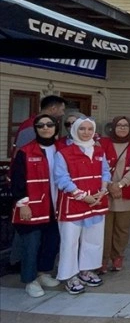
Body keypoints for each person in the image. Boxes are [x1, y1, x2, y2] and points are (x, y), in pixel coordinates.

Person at [54, 116, 110, 295]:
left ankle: (87, 269)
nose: (86, 133)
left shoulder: (99, 151)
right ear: (74, 130)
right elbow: (61, 178)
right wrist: (82, 196)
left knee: (93, 239)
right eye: (82, 129)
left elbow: (105, 172)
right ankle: (69, 275)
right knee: (69, 241)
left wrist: (103, 189)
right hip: (73, 204)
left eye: (89, 129)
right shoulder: (63, 153)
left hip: (96, 201)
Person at [11, 114, 62, 297]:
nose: (45, 128)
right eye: (41, 125)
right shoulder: (26, 151)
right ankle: (30, 280)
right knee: (31, 245)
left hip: (55, 205)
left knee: (51, 242)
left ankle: (43, 273)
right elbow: (17, 180)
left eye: (49, 125)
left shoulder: (60, 149)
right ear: (36, 128)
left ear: (56, 127)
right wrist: (22, 203)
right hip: (32, 206)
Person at [98, 116, 130, 273]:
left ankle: (117, 256)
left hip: (126, 192)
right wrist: (109, 185)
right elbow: (97, 165)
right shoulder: (101, 143)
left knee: (122, 228)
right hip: (104, 192)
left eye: (126, 125)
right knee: (105, 229)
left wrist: (120, 184)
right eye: (119, 125)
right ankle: (102, 259)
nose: (122, 128)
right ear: (113, 127)